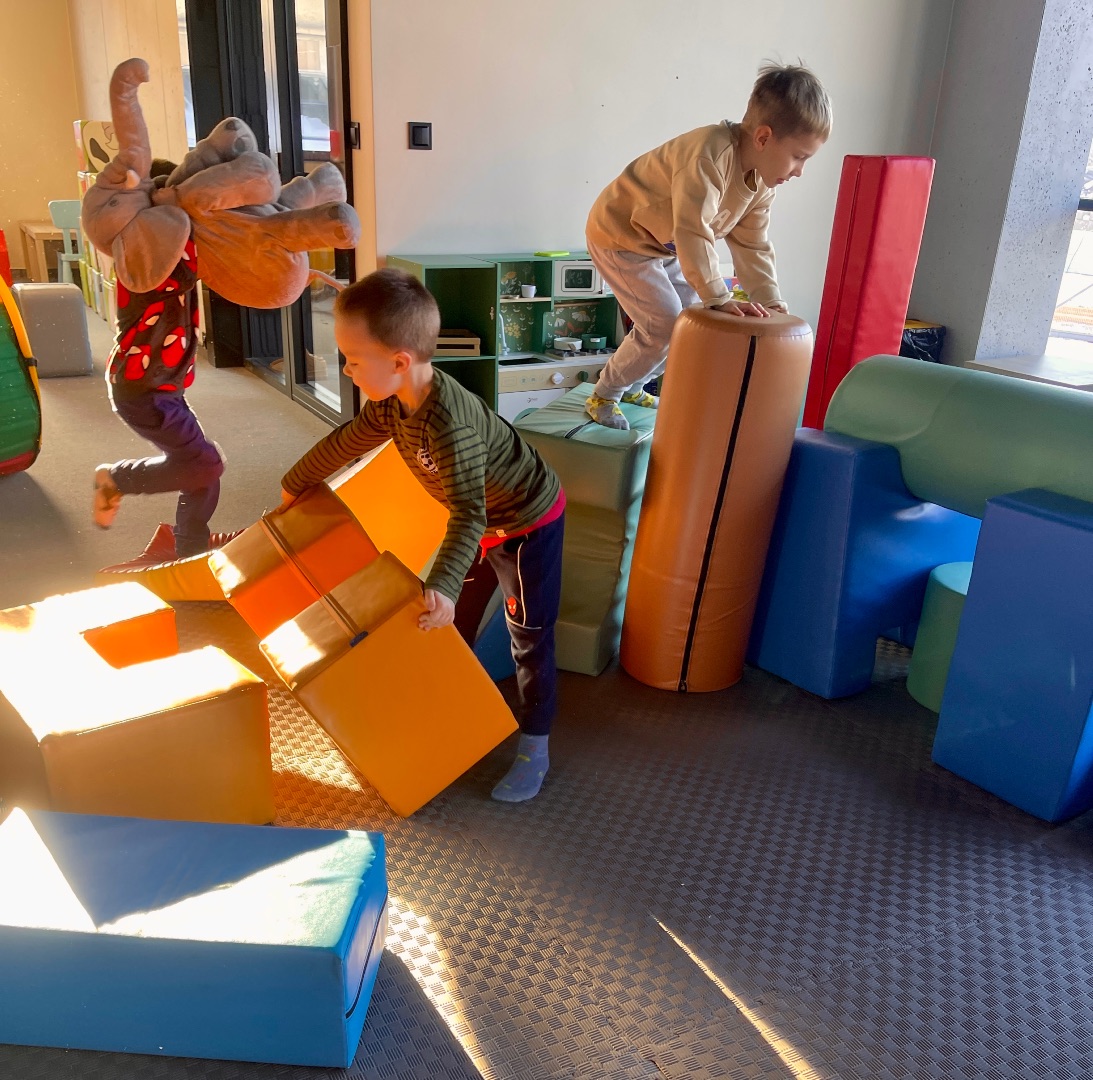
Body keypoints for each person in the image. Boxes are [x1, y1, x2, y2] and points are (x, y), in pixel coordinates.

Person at [280, 268, 565, 803]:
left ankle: (535, 748)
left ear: (399, 362)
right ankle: (459, 711)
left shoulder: (448, 425)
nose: (346, 369)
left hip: (526, 523)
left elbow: (469, 512)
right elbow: (349, 440)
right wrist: (296, 482)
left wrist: (444, 585)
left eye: (353, 359)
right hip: (477, 521)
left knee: (529, 637)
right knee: (442, 623)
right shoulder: (393, 404)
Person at [583, 61, 832, 429]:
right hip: (620, 235)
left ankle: (633, 385)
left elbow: (753, 245)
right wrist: (718, 295)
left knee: (686, 324)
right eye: (799, 157)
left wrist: (770, 300)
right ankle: (605, 393)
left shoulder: (762, 184)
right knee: (664, 324)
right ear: (763, 138)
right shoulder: (708, 155)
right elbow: (693, 230)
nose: (799, 171)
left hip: (663, 245)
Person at [92, 158, 225, 558]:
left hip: (162, 387)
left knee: (201, 468)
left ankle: (190, 549)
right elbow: (183, 274)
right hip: (142, 388)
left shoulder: (171, 255)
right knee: (204, 463)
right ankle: (117, 479)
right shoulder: (143, 262)